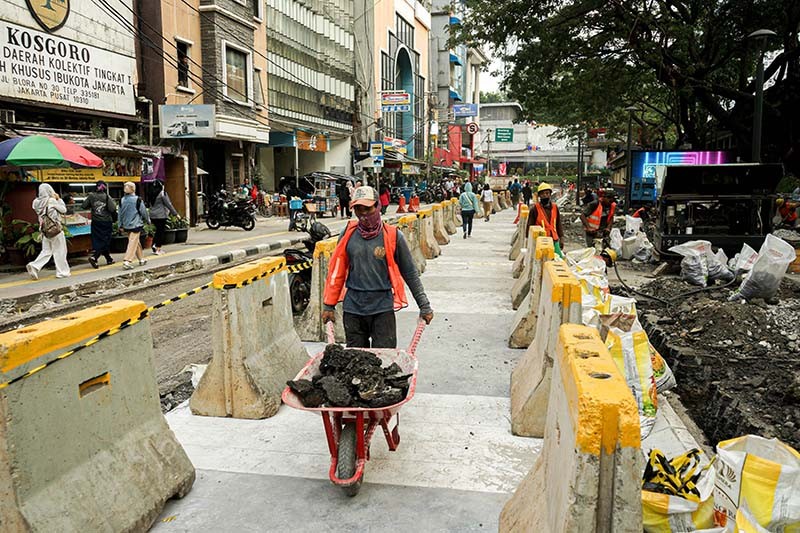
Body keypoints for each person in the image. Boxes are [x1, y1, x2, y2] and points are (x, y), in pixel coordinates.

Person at [321, 186, 433, 348]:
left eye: (367, 208)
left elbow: (410, 273)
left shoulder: (394, 236)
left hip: (382, 309)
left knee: (385, 358)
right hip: (353, 309)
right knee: (356, 360)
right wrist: (328, 305)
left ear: (377, 206)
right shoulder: (347, 234)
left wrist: (424, 305)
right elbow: (337, 272)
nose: (363, 213)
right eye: (358, 209)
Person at [26, 183, 70, 280]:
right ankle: (62, 272)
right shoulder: (52, 201)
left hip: (45, 230)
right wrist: (59, 200)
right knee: (60, 251)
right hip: (55, 229)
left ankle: (34, 266)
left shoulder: (36, 202)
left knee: (46, 251)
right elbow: (63, 210)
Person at [82, 180, 117, 268]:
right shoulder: (106, 196)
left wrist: (92, 205)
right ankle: (95, 257)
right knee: (105, 240)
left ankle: (109, 259)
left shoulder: (91, 196)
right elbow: (112, 209)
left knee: (98, 239)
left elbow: (84, 206)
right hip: (106, 222)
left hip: (96, 222)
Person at [118, 181, 151, 270]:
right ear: (134, 189)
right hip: (136, 224)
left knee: (136, 242)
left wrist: (120, 225)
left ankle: (141, 259)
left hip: (126, 224)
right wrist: (148, 221)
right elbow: (144, 212)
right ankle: (127, 260)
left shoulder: (122, 200)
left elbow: (119, 214)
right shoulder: (138, 200)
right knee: (133, 242)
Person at [528, 182, 564, 255]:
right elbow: (530, 226)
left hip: (554, 239)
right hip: (541, 242)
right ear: (539, 195)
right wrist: (527, 241)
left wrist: (561, 238)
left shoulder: (554, 207)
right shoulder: (535, 209)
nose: (545, 195)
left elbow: (558, 223)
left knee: (557, 259)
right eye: (542, 194)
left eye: (547, 193)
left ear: (550, 194)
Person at [149, 180, 178, 255]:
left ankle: (154, 245)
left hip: (153, 215)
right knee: (161, 232)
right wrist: (175, 213)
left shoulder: (151, 193)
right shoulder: (162, 194)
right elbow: (168, 204)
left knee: (158, 231)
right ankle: (158, 248)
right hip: (161, 215)